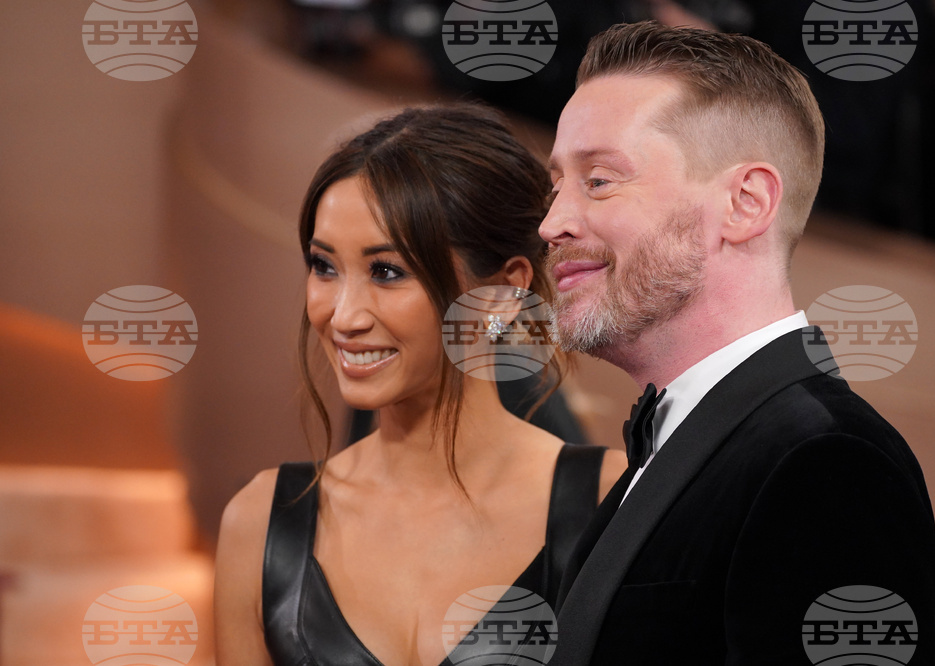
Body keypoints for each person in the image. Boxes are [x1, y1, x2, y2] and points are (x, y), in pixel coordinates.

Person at [540, 22, 935, 665]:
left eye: (599, 180)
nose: (551, 222)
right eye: (555, 184)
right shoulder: (697, 443)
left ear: (746, 203)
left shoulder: (827, 463)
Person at [213, 105, 627, 666]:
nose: (343, 315)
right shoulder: (259, 523)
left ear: (503, 294)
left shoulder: (611, 502)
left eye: (387, 271)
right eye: (323, 266)